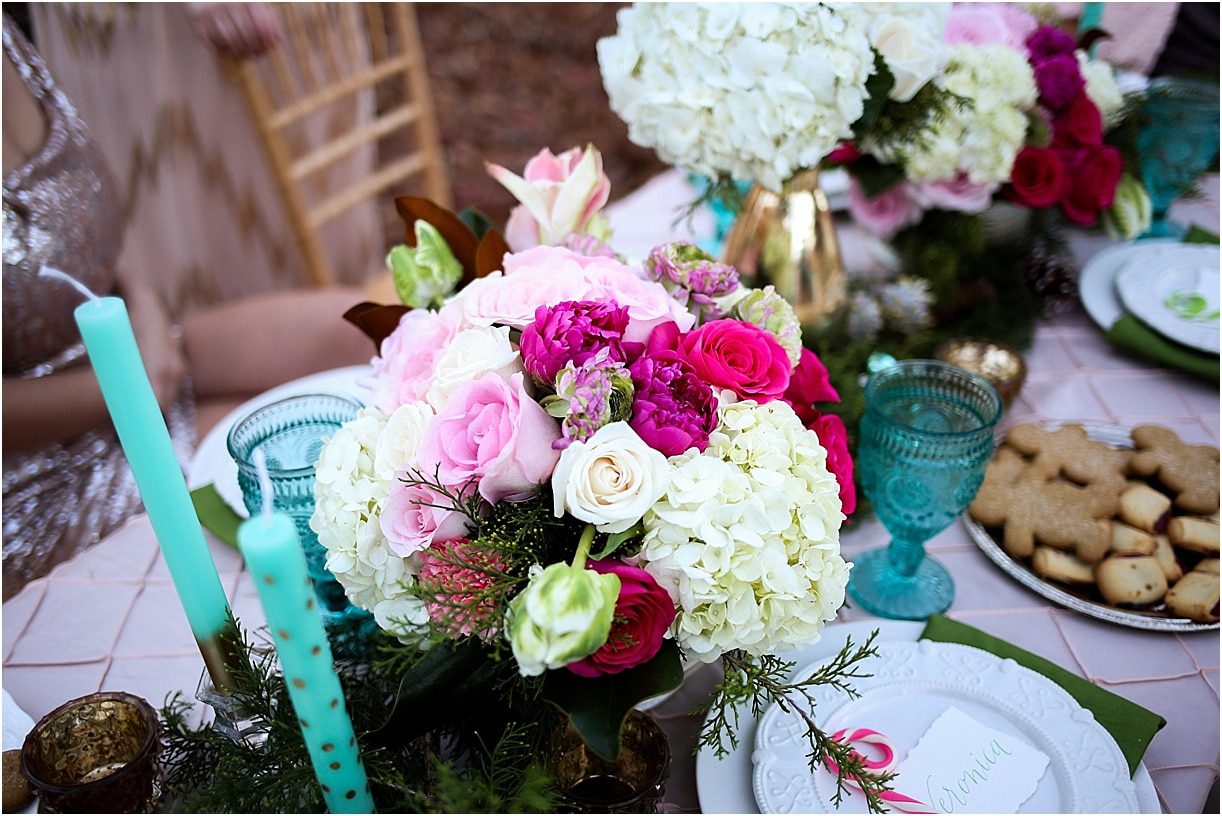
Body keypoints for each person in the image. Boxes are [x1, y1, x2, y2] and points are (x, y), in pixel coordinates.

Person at [2, 15, 374, 597]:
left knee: (367, 328)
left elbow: (82, 233)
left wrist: (147, 316)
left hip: (138, 348)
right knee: (295, 460)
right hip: (45, 470)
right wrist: (129, 386)